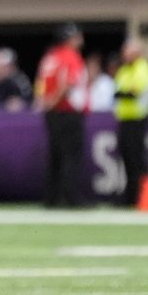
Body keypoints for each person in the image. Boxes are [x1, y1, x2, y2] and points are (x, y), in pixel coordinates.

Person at [35, 23, 88, 208]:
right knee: (71, 156)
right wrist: (54, 100)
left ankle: (52, 198)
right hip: (67, 111)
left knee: (55, 155)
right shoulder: (70, 56)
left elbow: (40, 82)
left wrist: (44, 101)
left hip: (52, 113)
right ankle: (70, 198)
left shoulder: (50, 57)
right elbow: (68, 83)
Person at [112, 38, 148, 207]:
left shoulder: (143, 69)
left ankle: (144, 197)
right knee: (127, 159)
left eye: (129, 52)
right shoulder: (124, 70)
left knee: (138, 159)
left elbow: (132, 93)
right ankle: (130, 197)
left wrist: (123, 93)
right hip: (125, 119)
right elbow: (118, 92)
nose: (125, 55)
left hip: (138, 119)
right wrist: (123, 93)